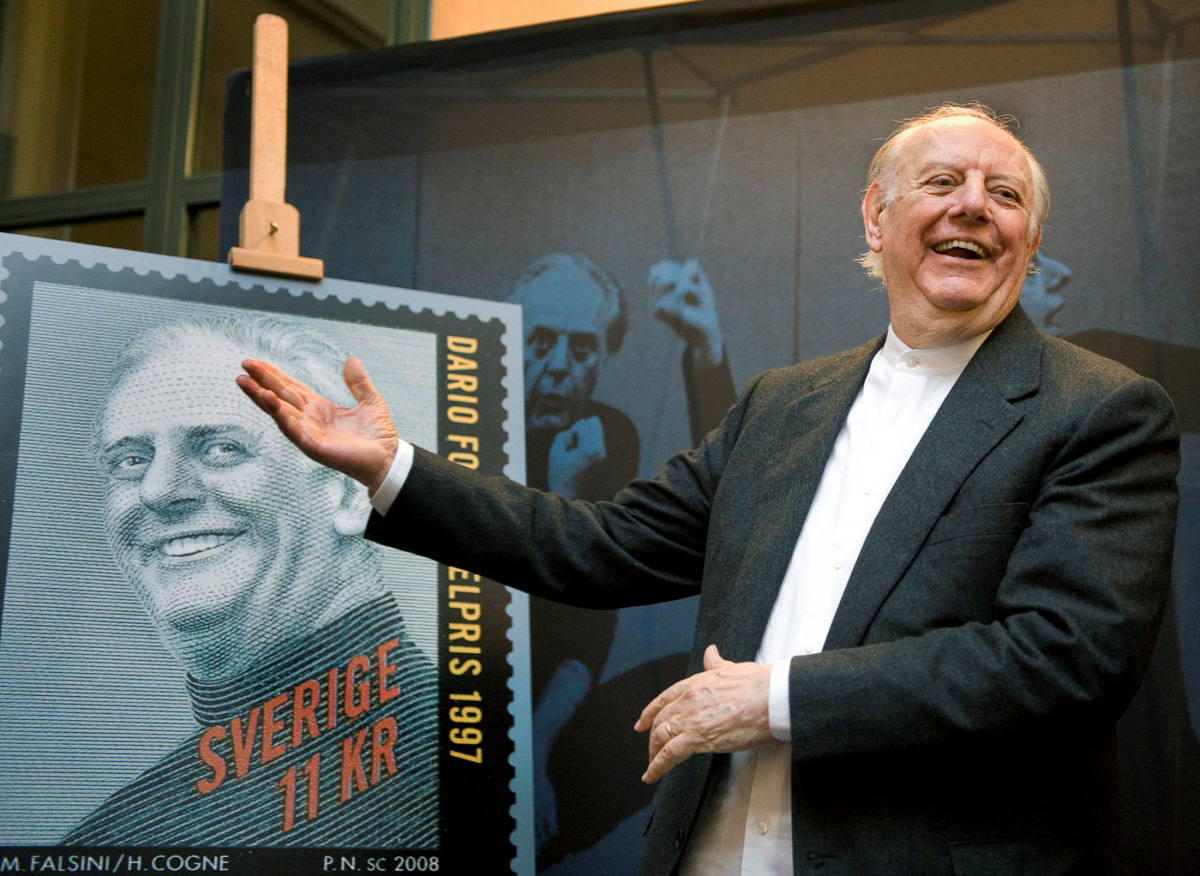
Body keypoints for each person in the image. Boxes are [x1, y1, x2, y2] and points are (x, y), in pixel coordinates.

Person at [238, 104, 1180, 873]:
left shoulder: (1100, 410)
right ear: (875, 217)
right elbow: (600, 546)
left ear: (1029, 238)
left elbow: (1066, 658)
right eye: (942, 183)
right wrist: (393, 469)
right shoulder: (784, 403)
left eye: (1003, 194)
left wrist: (775, 700)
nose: (972, 206)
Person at [66, 315, 437, 848]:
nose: (159, 490)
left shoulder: (470, 767)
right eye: (130, 460)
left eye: (221, 449)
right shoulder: (115, 836)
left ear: (349, 493)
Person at [507, 252, 736, 864]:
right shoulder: (464, 420)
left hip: (540, 698)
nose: (561, 365)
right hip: (446, 690)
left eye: (582, 348)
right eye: (542, 342)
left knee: (692, 691)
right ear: (507, 340)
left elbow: (591, 615)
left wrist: (705, 349)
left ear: (605, 356)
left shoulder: (603, 436)